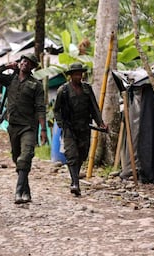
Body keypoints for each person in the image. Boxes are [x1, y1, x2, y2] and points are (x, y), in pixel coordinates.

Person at [0, 53, 47, 204]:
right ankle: (26, 191)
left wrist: (43, 130)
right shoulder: (10, 79)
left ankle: (18, 192)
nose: (25, 63)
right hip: (13, 126)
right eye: (23, 61)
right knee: (17, 158)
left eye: (29, 62)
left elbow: (40, 108)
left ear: (33, 67)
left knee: (25, 156)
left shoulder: (36, 85)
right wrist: (7, 66)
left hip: (28, 127)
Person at [53, 63, 107, 196]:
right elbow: (56, 110)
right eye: (75, 74)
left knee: (82, 154)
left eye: (80, 74)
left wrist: (100, 122)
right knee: (72, 154)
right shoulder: (63, 90)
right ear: (70, 76)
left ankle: (75, 179)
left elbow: (94, 107)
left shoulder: (87, 89)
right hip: (69, 128)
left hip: (84, 127)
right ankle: (75, 183)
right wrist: (62, 124)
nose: (78, 76)